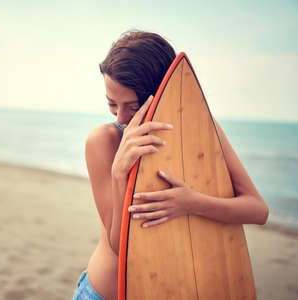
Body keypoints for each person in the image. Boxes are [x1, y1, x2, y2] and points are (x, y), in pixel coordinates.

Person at [72, 30, 269, 300]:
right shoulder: (104, 140)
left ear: (162, 92)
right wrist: (119, 173)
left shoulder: (203, 130)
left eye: (132, 105)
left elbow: (258, 210)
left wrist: (191, 203)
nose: (121, 117)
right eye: (112, 104)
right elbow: (119, 246)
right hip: (104, 294)